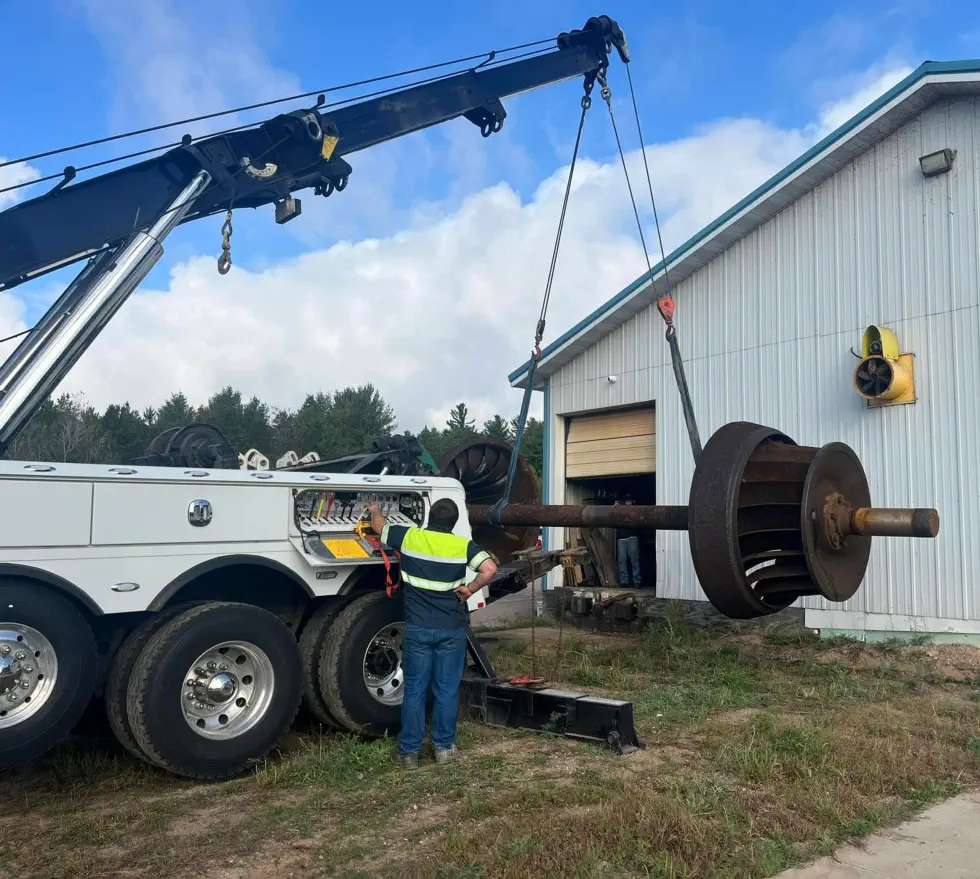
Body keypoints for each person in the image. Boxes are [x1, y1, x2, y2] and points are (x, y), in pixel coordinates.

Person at [367, 498, 497, 770]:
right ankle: (444, 749)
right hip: (451, 629)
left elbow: (381, 528)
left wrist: (375, 510)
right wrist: (470, 590)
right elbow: (489, 569)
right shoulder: (462, 546)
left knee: (414, 690)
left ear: (428, 517)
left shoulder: (411, 537)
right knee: (447, 690)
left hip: (418, 629)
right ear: (453, 523)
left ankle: (409, 754)